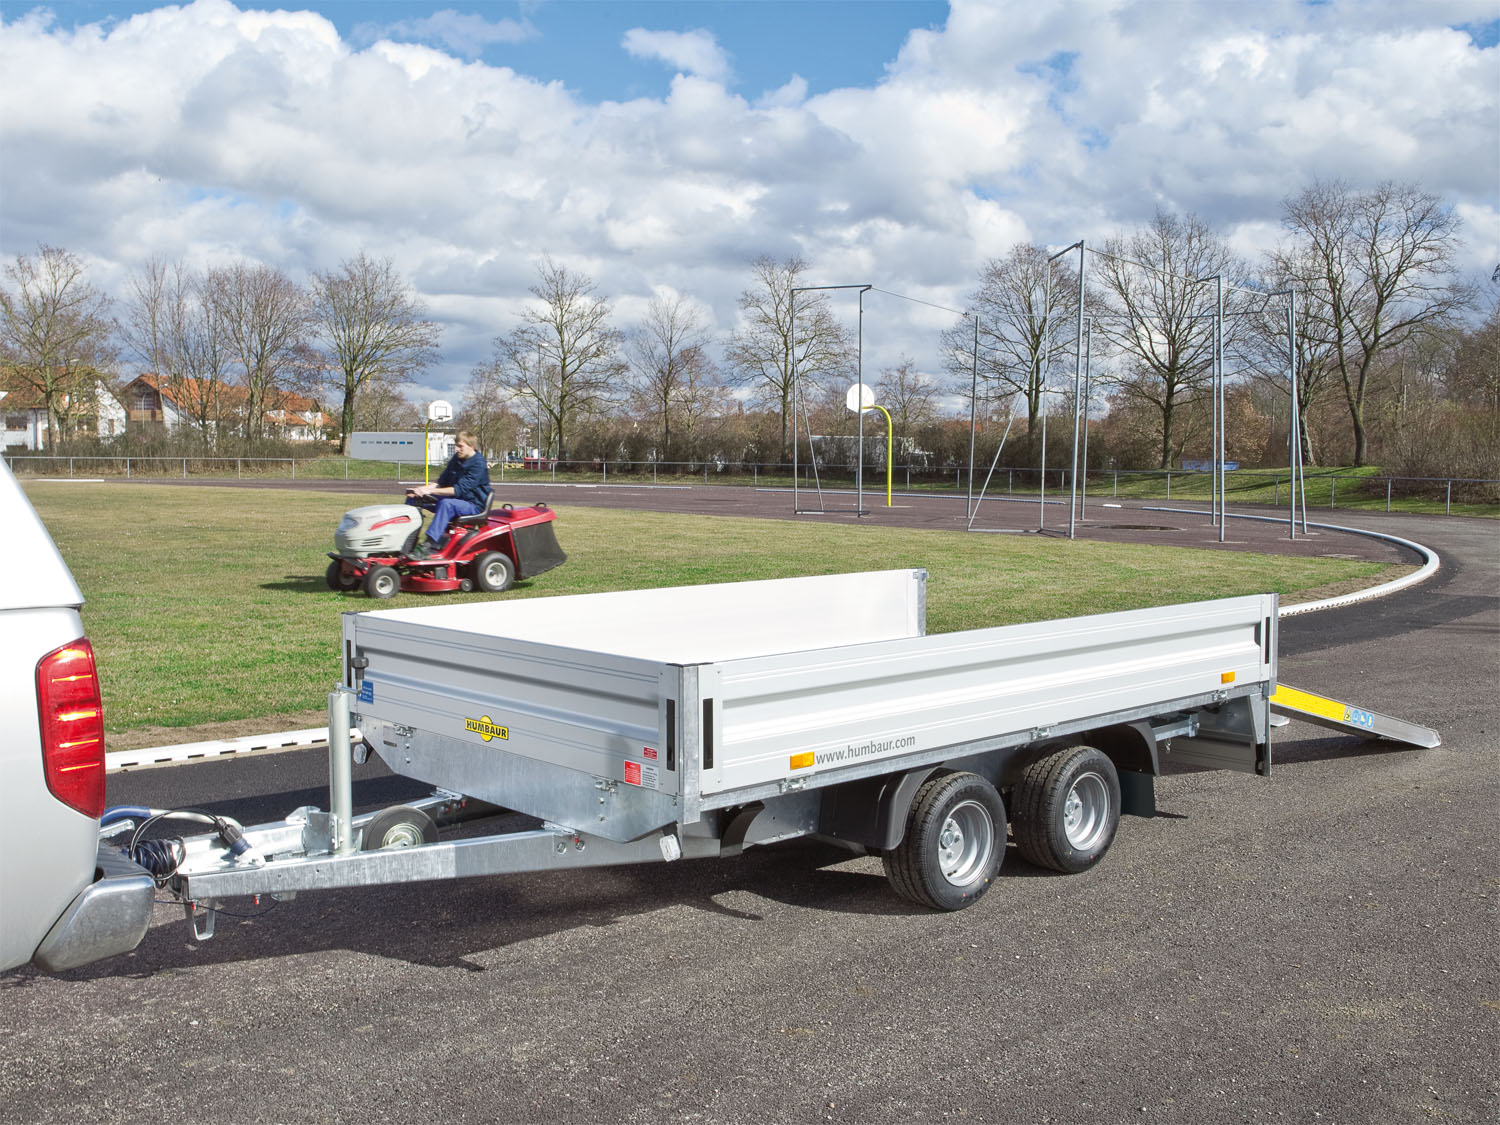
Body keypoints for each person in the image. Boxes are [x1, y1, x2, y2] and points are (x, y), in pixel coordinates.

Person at [405, 432, 490, 558]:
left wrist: (430, 491)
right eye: (456, 446)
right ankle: (407, 542)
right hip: (456, 499)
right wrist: (421, 490)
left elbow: (458, 490)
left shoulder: (479, 464)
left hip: (473, 505)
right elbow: (441, 482)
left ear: (471, 446)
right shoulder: (457, 459)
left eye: (460, 446)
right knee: (413, 498)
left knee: (447, 504)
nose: (457, 449)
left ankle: (427, 545)